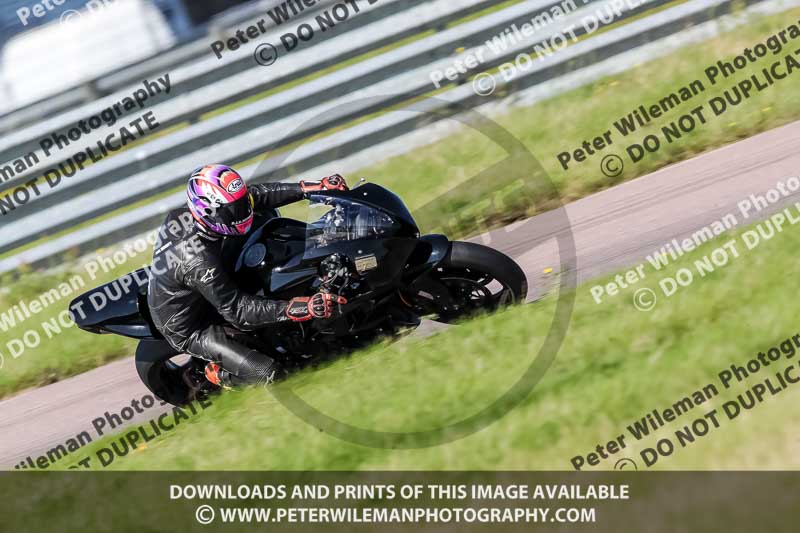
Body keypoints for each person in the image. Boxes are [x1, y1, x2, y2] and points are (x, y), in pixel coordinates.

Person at [147, 164, 348, 389]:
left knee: (265, 218)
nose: (243, 212)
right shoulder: (197, 260)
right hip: (194, 326)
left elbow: (255, 196)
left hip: (206, 277)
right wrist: (301, 308)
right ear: (208, 210)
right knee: (272, 373)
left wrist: (312, 187)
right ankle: (217, 374)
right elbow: (238, 311)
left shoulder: (205, 213)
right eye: (234, 209)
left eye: (240, 204)